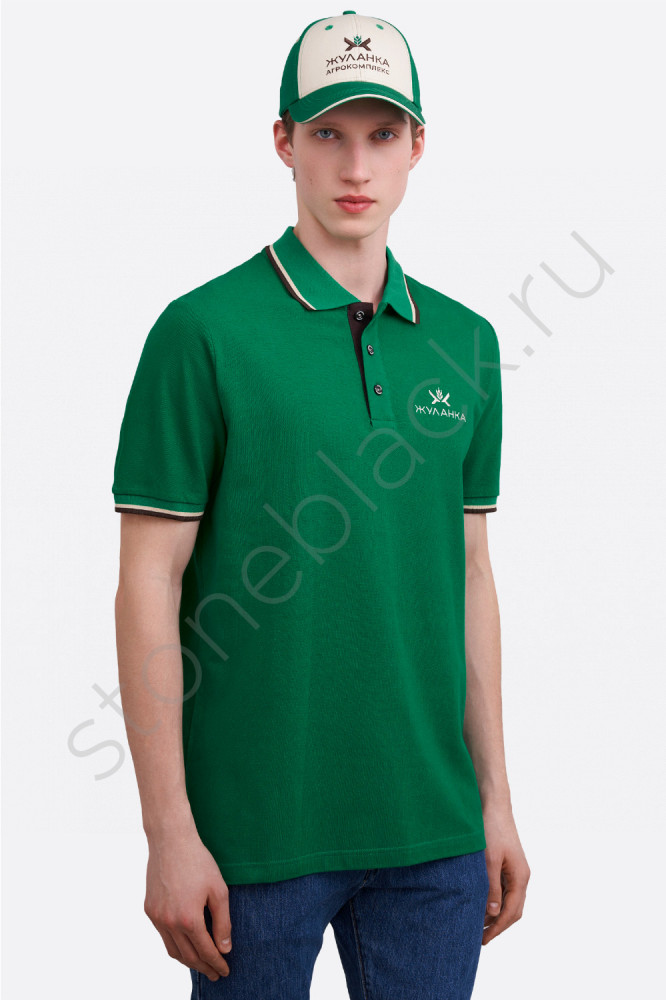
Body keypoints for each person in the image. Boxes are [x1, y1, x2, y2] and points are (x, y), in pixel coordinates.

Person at [112, 10, 530, 999]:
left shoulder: (467, 344)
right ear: (283, 141)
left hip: (434, 834)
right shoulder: (202, 333)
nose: (356, 165)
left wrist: (496, 801)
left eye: (382, 134)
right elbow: (146, 585)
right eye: (328, 132)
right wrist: (169, 830)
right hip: (255, 836)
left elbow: (470, 576)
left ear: (417, 145)